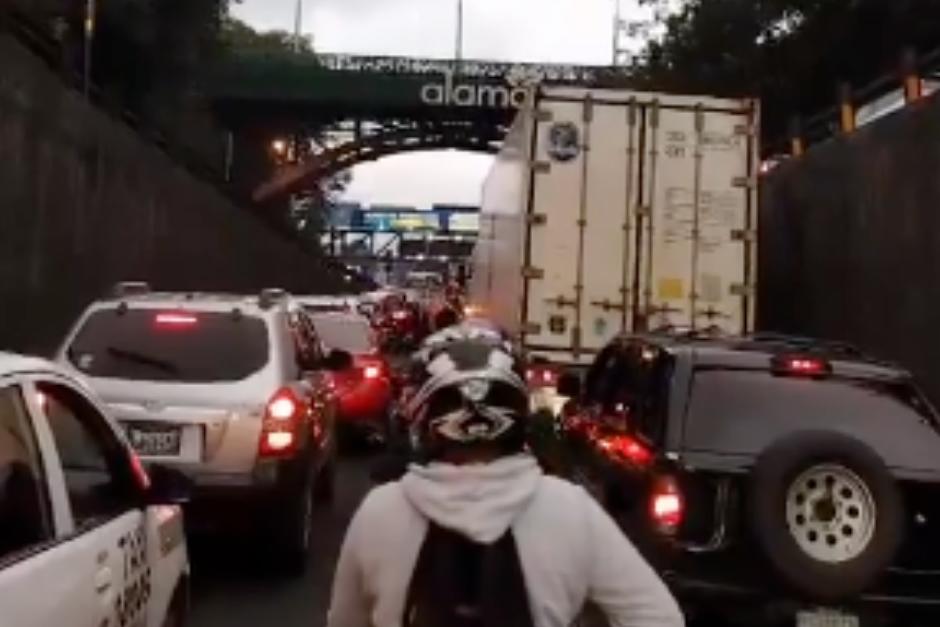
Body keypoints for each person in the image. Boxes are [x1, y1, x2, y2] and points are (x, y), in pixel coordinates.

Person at [327, 329, 684, 627]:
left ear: (423, 417)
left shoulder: (381, 511)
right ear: (519, 416)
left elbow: (344, 621)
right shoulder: (569, 509)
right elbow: (659, 619)